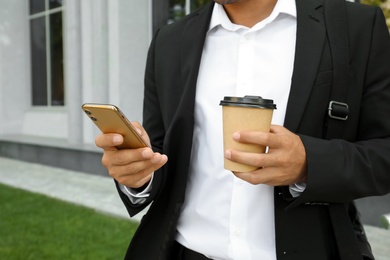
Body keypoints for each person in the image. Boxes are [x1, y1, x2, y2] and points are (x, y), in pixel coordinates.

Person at [95, 0, 390, 259]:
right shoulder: (168, 41)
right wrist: (138, 175)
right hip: (184, 251)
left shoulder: (357, 28)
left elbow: (384, 153)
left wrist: (309, 164)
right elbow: (161, 152)